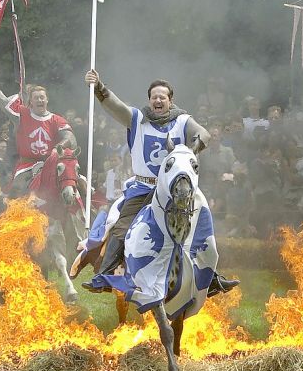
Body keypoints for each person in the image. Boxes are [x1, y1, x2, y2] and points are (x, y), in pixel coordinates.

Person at [78, 69, 238, 296]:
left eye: (163, 96)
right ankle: (105, 273)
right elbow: (116, 106)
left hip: (176, 190)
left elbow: (203, 134)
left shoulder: (182, 120)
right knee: (121, 226)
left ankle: (211, 277)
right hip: (143, 187)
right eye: (154, 97)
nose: (158, 100)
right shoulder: (137, 119)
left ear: (170, 100)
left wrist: (193, 148)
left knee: (201, 224)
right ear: (149, 100)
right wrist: (99, 87)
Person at [0, 66, 76, 195]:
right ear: (31, 101)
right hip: (27, 166)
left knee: (75, 182)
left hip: (53, 164)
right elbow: (1, 100)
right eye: (36, 98)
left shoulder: (57, 120)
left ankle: (86, 208)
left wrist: (58, 147)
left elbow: (71, 138)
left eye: (42, 97)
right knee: (16, 192)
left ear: (47, 100)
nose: (40, 100)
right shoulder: (21, 115)